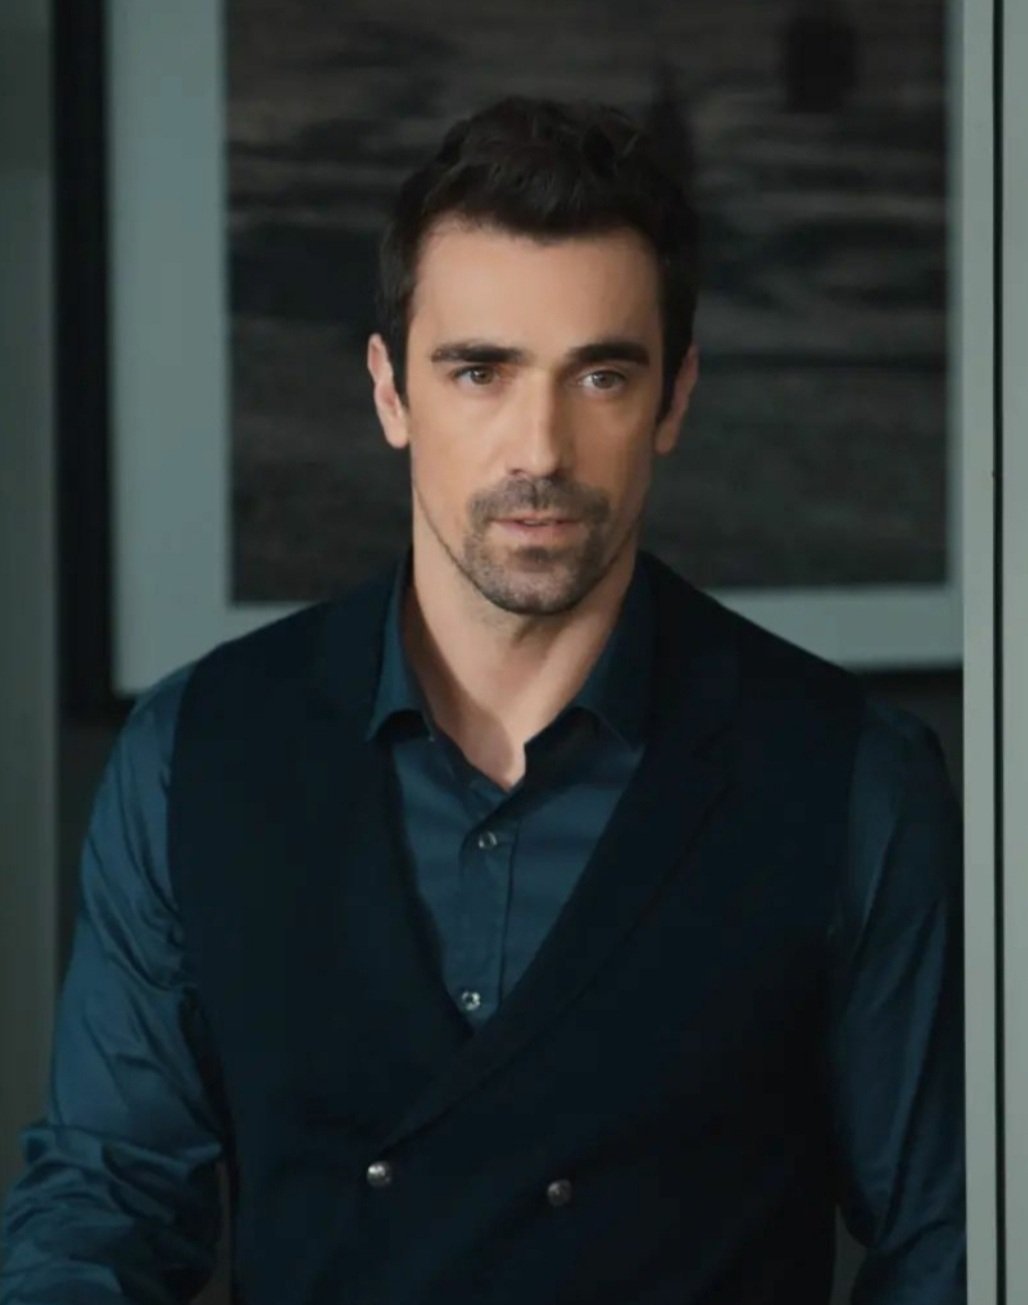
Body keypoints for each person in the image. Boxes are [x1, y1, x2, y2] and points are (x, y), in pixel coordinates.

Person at [0, 97, 964, 1304]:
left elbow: (946, 1238)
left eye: (599, 375)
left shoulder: (849, 778)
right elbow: (107, 1202)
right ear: (389, 392)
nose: (538, 449)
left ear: (672, 400)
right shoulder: (194, 754)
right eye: (478, 371)